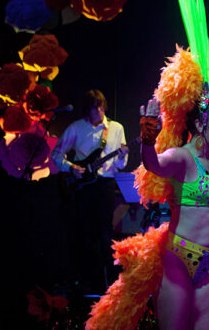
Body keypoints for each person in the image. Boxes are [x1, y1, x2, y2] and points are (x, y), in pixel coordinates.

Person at [141, 90, 209, 329]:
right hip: (179, 259)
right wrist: (149, 134)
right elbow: (153, 164)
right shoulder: (182, 157)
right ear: (201, 123)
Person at [51, 89, 128, 293]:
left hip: (106, 185)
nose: (100, 110)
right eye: (95, 107)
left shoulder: (116, 128)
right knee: (83, 233)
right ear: (88, 109)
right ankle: (84, 281)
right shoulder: (76, 128)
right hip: (83, 187)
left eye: (102, 106)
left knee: (105, 233)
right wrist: (71, 168)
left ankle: (108, 283)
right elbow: (56, 154)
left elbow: (121, 164)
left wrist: (122, 155)